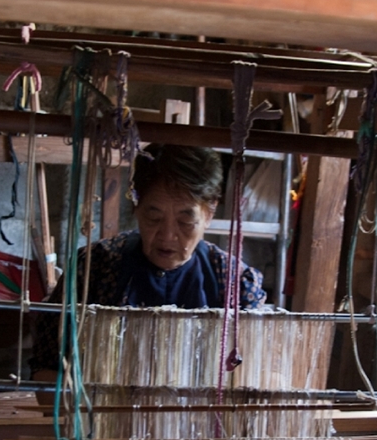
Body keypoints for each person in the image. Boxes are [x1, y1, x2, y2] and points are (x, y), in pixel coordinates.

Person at [30, 143, 266, 376]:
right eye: (154, 218)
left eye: (185, 221)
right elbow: (47, 368)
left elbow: (256, 373)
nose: (167, 235)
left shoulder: (234, 283)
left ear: (209, 214)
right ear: (136, 207)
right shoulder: (94, 268)